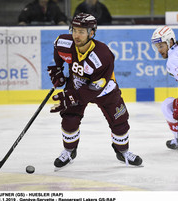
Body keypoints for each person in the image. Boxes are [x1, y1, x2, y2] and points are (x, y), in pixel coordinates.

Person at [47, 13, 142, 168]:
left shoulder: (103, 55)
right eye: (74, 30)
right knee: (69, 118)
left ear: (91, 33)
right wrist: (58, 69)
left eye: (81, 32)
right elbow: (57, 47)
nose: (76, 36)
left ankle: (123, 151)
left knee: (120, 121)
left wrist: (73, 97)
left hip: (105, 90)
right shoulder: (65, 41)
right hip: (77, 83)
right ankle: (69, 150)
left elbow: (96, 87)